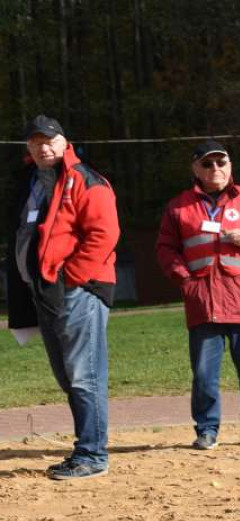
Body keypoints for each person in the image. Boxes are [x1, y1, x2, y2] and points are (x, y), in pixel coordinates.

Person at [4, 115, 119, 480]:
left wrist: (70, 278)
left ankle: (93, 454)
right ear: (28, 148)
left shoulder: (85, 179)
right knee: (68, 377)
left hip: (78, 292)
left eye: (49, 140)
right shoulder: (31, 182)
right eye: (36, 142)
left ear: (64, 142)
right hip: (46, 293)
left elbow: (104, 234)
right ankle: (86, 447)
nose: (43, 147)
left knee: (85, 375)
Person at [156, 140, 240, 450]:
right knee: (204, 374)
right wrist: (186, 280)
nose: (215, 169)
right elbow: (166, 250)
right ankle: (207, 430)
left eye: (221, 163)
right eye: (207, 164)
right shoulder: (177, 207)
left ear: (230, 166)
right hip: (203, 303)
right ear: (195, 169)